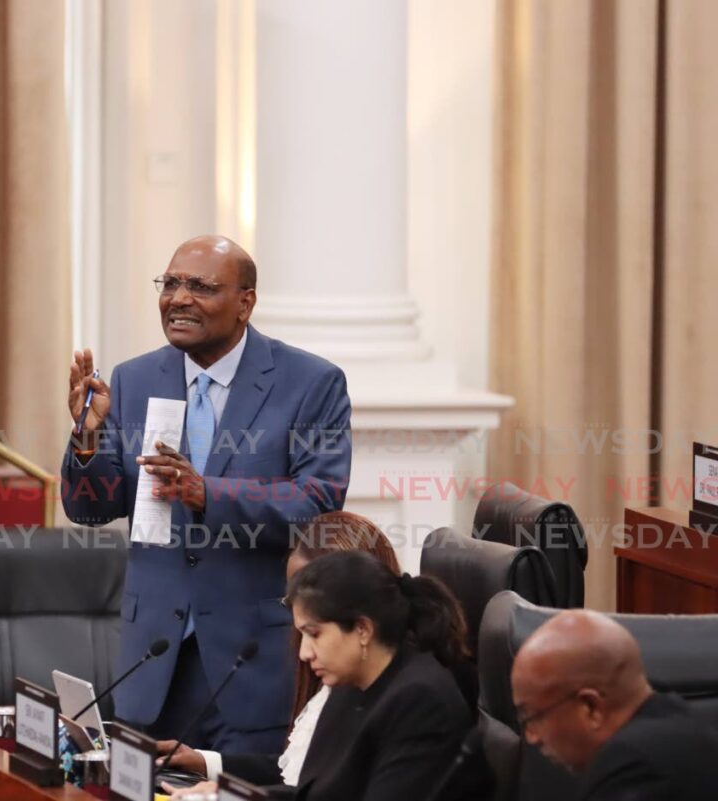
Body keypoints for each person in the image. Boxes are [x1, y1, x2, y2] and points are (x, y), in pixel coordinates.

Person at [61, 235, 352, 752]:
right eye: (170, 283)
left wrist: (206, 493)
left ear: (245, 302)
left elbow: (317, 506)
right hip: (150, 661)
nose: (178, 298)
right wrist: (86, 437)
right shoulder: (133, 379)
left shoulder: (310, 383)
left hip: (250, 663)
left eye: (200, 286)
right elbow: (91, 509)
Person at [171, 550, 477, 800]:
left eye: (314, 634)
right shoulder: (351, 682)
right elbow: (314, 793)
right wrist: (227, 796)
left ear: (362, 629)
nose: (304, 653)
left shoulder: (421, 701)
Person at [158, 511, 401, 786]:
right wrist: (205, 762)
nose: (303, 650)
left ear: (362, 623)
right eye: (291, 599)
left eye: (315, 627)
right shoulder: (340, 676)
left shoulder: (398, 697)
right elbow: (298, 771)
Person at [511, 609, 718, 800]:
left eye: (533, 717)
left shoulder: (633, 770)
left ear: (590, 707)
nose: (532, 737)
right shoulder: (693, 727)